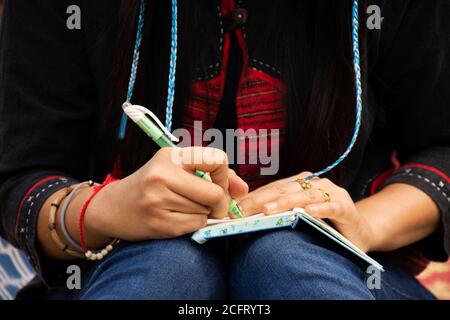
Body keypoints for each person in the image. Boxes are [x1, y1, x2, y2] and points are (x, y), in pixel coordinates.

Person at [0, 0, 449, 300]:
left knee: (287, 260)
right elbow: (23, 173)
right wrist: (100, 212)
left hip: (358, 270)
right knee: (166, 268)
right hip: (112, 265)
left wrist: (362, 223)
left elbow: (441, 146)